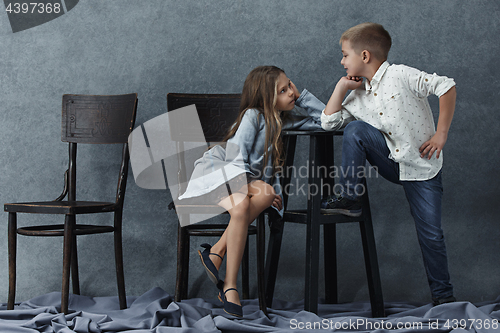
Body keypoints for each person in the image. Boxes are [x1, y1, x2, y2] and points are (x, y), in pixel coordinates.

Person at [320, 22, 457, 305]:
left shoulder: (401, 74)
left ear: (365, 56)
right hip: (391, 162)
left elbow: (446, 85)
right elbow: (329, 122)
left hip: (422, 166)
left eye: (345, 55)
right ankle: (349, 197)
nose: (342, 61)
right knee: (355, 130)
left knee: (431, 235)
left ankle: (444, 298)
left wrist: (441, 134)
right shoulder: (358, 93)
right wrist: (341, 86)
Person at [177, 65, 326, 317]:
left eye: (290, 85)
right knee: (257, 197)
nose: (290, 92)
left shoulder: (282, 120)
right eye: (284, 90)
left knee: (259, 198)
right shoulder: (253, 116)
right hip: (217, 173)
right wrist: (249, 186)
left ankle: (218, 257)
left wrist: (302, 98)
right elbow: (236, 156)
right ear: (266, 97)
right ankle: (229, 282)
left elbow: (326, 122)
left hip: (242, 183)